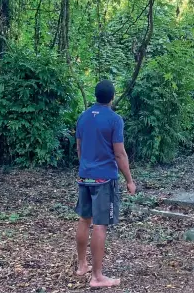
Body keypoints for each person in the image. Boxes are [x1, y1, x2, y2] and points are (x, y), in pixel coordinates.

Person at [75, 80, 136, 288]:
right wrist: (129, 180)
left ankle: (82, 265)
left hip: (85, 176)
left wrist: (85, 168)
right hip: (104, 179)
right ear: (112, 97)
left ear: (95, 95)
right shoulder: (114, 119)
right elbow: (119, 153)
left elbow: (79, 149)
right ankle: (97, 276)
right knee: (100, 224)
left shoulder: (83, 117)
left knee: (84, 220)